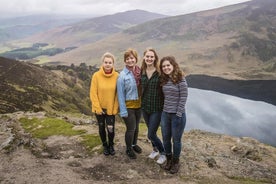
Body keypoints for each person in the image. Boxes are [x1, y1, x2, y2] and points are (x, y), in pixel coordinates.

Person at [159, 56, 188, 174]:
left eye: (168, 65)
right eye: (164, 66)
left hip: (177, 115)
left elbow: (184, 97)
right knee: (165, 139)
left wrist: (179, 113)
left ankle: (176, 162)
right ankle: (169, 160)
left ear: (173, 65)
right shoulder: (164, 79)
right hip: (165, 114)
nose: (166, 68)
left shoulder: (181, 78)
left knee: (176, 140)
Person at [90, 52, 119, 156]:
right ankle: (105, 145)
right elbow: (93, 93)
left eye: (110, 62)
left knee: (110, 128)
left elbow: (118, 94)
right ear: (102, 63)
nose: (107, 64)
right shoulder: (96, 76)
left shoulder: (117, 76)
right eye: (106, 62)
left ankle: (111, 145)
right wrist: (98, 108)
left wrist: (115, 108)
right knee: (101, 127)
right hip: (99, 109)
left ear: (113, 64)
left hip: (111, 109)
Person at [141, 48, 166, 164]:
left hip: (157, 108)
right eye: (147, 56)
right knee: (151, 132)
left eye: (152, 57)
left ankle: (163, 153)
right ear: (144, 58)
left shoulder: (160, 72)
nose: (149, 58)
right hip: (145, 107)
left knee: (151, 133)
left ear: (155, 58)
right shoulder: (142, 71)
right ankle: (155, 150)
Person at [117, 48, 142, 159]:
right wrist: (123, 110)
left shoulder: (140, 72)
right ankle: (128, 149)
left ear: (135, 59)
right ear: (125, 60)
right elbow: (120, 94)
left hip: (139, 104)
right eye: (127, 59)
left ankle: (134, 144)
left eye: (132, 58)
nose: (130, 60)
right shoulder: (122, 76)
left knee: (137, 127)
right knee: (131, 128)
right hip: (128, 106)